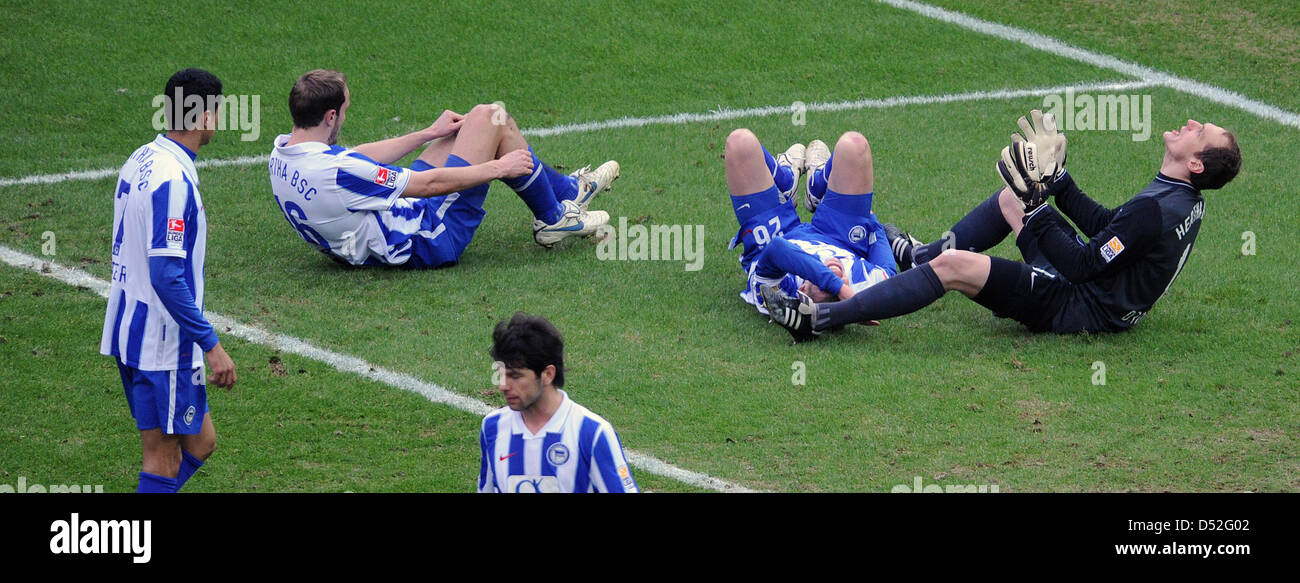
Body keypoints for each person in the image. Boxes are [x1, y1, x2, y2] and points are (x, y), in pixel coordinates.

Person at [761, 110, 1242, 342]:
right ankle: (917, 256)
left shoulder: (1157, 208)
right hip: (1099, 294)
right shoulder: (1180, 200)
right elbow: (1109, 227)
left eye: (1201, 132)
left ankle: (818, 319)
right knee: (1011, 198)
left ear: (1196, 164)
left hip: (1076, 308)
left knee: (956, 267)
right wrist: (1057, 181)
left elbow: (1079, 266)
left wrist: (1038, 208)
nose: (1192, 122)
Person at [268, 69, 619, 268]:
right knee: (490, 116)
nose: (345, 116)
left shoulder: (283, 153)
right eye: (344, 110)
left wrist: (429, 134)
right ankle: (554, 218)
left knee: (471, 125)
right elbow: (427, 184)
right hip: (429, 236)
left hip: (371, 235)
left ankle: (566, 195)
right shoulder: (338, 172)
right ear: (330, 116)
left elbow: (358, 155)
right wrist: (499, 167)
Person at [100, 68, 237, 493]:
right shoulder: (173, 181)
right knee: (163, 459)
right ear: (205, 117)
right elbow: (165, 274)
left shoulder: (142, 157)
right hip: (163, 345)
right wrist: (211, 344)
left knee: (202, 440)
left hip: (130, 328)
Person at [725, 129, 896, 320]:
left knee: (739, 142)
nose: (835, 276)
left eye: (824, 285)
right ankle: (817, 186)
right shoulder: (865, 285)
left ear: (804, 288)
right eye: (841, 285)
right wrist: (868, 219)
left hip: (774, 235)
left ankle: (785, 180)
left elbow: (777, 249)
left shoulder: (780, 295)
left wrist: (839, 288)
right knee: (854, 145)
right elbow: (888, 268)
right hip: (840, 237)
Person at [478, 312, 638, 493]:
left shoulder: (592, 434)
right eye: (500, 375)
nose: (503, 386)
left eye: (515, 376)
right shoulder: (492, 427)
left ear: (547, 374)